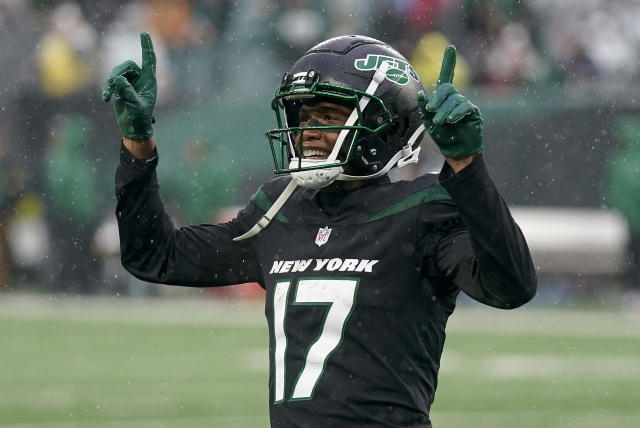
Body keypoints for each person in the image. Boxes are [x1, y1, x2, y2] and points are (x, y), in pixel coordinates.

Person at [102, 32, 536, 427]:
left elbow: (511, 286)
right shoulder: (280, 208)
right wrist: (138, 147)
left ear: (386, 127)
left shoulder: (423, 209)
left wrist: (467, 168)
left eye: (329, 115)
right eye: (304, 115)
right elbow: (153, 255)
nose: (309, 130)